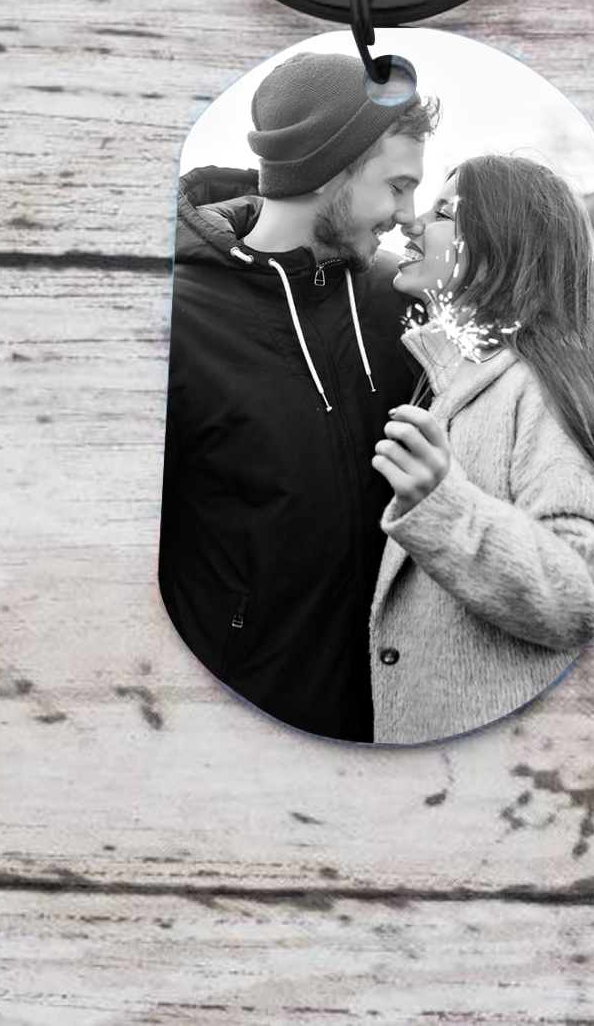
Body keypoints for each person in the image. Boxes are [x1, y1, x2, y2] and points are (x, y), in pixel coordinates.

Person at [159, 51, 440, 742]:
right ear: (330, 169)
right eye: (396, 186)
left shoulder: (395, 300)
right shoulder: (177, 316)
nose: (406, 215)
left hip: (402, 714)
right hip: (242, 717)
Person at [367, 154, 594, 745]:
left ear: (501, 246)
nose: (412, 222)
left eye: (443, 213)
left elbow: (583, 593)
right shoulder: (449, 377)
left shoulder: (544, 389)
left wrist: (443, 503)